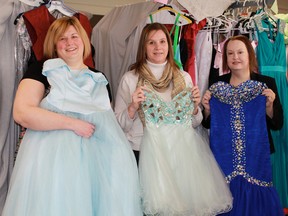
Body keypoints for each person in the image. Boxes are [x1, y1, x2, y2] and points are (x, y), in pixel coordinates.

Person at [2, 16, 142, 216]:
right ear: (54, 44)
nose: (69, 43)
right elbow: (22, 113)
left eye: (74, 36)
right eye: (62, 38)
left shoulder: (100, 79)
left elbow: (110, 128)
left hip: (98, 173)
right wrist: (72, 123)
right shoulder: (42, 70)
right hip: (54, 170)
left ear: (83, 40)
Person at [114, 22, 233, 216]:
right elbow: (119, 125)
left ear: (169, 45)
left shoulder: (183, 76)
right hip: (143, 153)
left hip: (179, 155)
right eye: (151, 42)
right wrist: (133, 107)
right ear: (143, 46)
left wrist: (195, 108)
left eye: (162, 41)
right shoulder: (130, 78)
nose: (158, 47)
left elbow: (194, 123)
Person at [201, 35, 284, 216]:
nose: (235, 57)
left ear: (249, 55)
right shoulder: (217, 84)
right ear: (225, 58)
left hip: (256, 155)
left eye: (240, 52)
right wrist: (207, 108)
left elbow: (278, 123)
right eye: (230, 53)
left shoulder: (266, 83)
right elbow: (207, 122)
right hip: (225, 155)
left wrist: (269, 105)